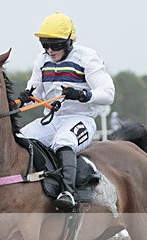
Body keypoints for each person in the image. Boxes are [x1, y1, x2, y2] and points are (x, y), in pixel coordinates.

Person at [16, 12, 115, 212]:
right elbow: (35, 88)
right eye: (45, 44)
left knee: (63, 141)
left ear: (69, 42)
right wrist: (24, 97)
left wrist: (81, 95)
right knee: (18, 138)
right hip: (52, 120)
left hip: (81, 119)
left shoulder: (87, 58)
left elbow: (108, 93)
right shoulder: (42, 60)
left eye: (55, 45)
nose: (50, 50)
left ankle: (68, 193)